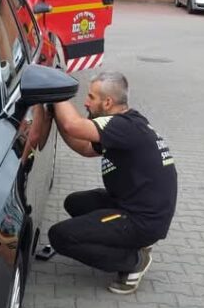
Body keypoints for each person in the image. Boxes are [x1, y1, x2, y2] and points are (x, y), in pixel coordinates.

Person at [45, 72, 177, 294]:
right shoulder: (126, 124)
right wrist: (58, 119)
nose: (86, 102)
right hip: (136, 206)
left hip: (141, 219)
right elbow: (85, 148)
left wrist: (55, 90)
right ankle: (127, 241)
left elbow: (73, 125)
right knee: (75, 203)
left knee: (60, 236)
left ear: (107, 102)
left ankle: (133, 260)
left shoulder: (122, 126)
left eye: (90, 97)